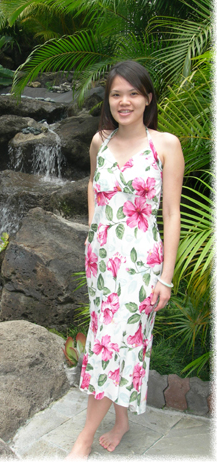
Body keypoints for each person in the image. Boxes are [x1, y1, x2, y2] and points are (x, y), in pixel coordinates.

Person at [67, 60, 184, 459]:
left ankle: (83, 439)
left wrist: (166, 277)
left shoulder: (165, 144)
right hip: (101, 259)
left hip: (139, 264)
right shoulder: (100, 140)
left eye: (133, 93)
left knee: (113, 344)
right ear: (108, 100)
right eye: (116, 94)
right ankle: (121, 420)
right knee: (112, 341)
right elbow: (92, 185)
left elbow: (171, 214)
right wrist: (92, 230)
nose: (124, 101)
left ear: (148, 98)